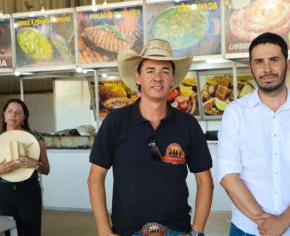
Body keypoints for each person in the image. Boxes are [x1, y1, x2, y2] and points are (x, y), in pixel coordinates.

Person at [88, 38, 213, 236]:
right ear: (138, 77)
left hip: (177, 230)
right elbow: (96, 177)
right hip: (127, 231)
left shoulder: (188, 124)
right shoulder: (116, 121)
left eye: (165, 71)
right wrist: (104, 231)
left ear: (172, 79)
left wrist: (197, 232)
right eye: (150, 70)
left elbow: (204, 180)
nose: (158, 77)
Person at [217, 32, 290, 236]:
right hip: (248, 228)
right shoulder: (235, 113)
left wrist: (284, 221)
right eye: (259, 62)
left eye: (274, 60)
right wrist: (265, 222)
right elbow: (228, 175)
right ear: (251, 67)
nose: (267, 69)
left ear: (288, 64)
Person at [0, 98, 50, 236]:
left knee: (31, 231)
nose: (13, 115)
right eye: (10, 111)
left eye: (18, 113)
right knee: (10, 231)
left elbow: (46, 169)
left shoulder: (36, 138)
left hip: (29, 190)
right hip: (5, 192)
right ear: (4, 114)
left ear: (24, 117)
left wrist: (36, 164)